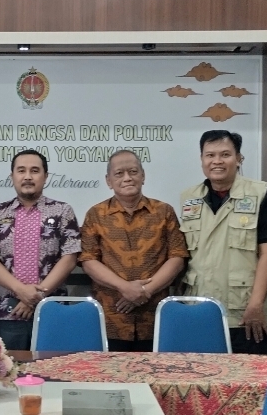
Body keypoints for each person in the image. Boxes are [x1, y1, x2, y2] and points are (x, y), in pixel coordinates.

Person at [180, 130, 267, 354]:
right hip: (199, 307)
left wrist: (256, 304)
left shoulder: (260, 193)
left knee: (247, 375)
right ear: (201, 159)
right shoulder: (189, 198)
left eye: (225, 154)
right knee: (201, 374)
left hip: (244, 311)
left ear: (239, 159)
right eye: (210, 155)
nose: (217, 161)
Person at [79, 150, 188, 352]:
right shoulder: (96, 215)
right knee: (110, 371)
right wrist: (124, 288)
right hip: (111, 318)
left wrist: (145, 292)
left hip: (156, 317)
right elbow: (88, 260)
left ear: (143, 176)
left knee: (156, 371)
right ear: (109, 181)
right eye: (119, 173)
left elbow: (177, 257)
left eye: (133, 172)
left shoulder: (164, 212)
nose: (127, 178)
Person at [0, 149, 81, 349]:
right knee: (11, 368)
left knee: (56, 366)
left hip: (52, 309)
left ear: (45, 176)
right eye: (21, 171)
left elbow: (70, 258)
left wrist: (37, 296)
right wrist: (21, 290)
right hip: (10, 312)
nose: (28, 176)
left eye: (35, 171)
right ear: (12, 176)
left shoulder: (62, 211)